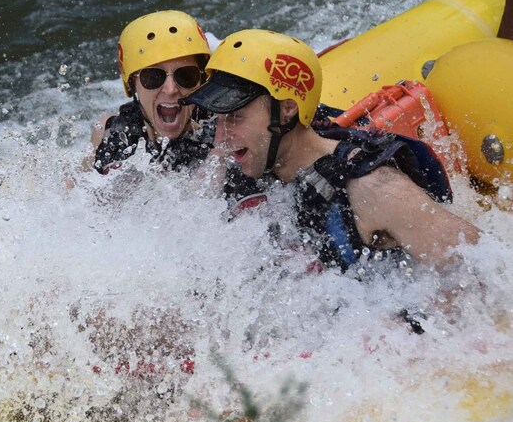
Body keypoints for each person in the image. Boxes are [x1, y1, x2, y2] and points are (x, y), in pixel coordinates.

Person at [181, 29, 481, 271]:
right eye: (218, 119)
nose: (221, 136)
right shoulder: (261, 164)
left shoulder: (374, 189)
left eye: (235, 116)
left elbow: (482, 273)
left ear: (286, 110)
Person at [88, 10, 214, 174]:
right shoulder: (108, 132)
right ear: (133, 83)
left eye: (186, 75)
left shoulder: (224, 132)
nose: (171, 89)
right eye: (153, 77)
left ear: (201, 81)